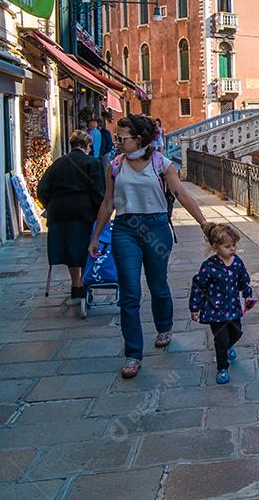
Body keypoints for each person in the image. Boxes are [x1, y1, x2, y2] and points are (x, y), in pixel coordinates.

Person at [88, 114, 213, 379]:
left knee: (158, 285)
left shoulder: (162, 164)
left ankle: (164, 327)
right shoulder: (114, 166)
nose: (119, 142)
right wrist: (95, 236)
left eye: (123, 138)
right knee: (130, 293)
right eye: (118, 137)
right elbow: (108, 202)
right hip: (124, 229)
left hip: (156, 228)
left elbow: (181, 194)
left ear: (140, 138)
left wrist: (204, 223)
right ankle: (133, 354)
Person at [37, 130, 105, 301]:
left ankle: (75, 283)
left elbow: (42, 189)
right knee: (81, 247)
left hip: (58, 212)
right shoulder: (91, 162)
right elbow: (98, 191)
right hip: (82, 211)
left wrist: (50, 205)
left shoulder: (57, 163)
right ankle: (81, 283)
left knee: (67, 248)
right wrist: (99, 210)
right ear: (87, 145)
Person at [189, 223, 255, 385]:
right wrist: (195, 308)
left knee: (237, 332)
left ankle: (227, 347)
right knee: (221, 340)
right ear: (215, 247)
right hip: (215, 311)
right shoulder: (209, 267)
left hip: (233, 308)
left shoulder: (237, 262)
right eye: (227, 246)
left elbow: (244, 280)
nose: (232, 249)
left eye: (234, 245)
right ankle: (222, 368)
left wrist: (247, 296)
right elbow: (198, 287)